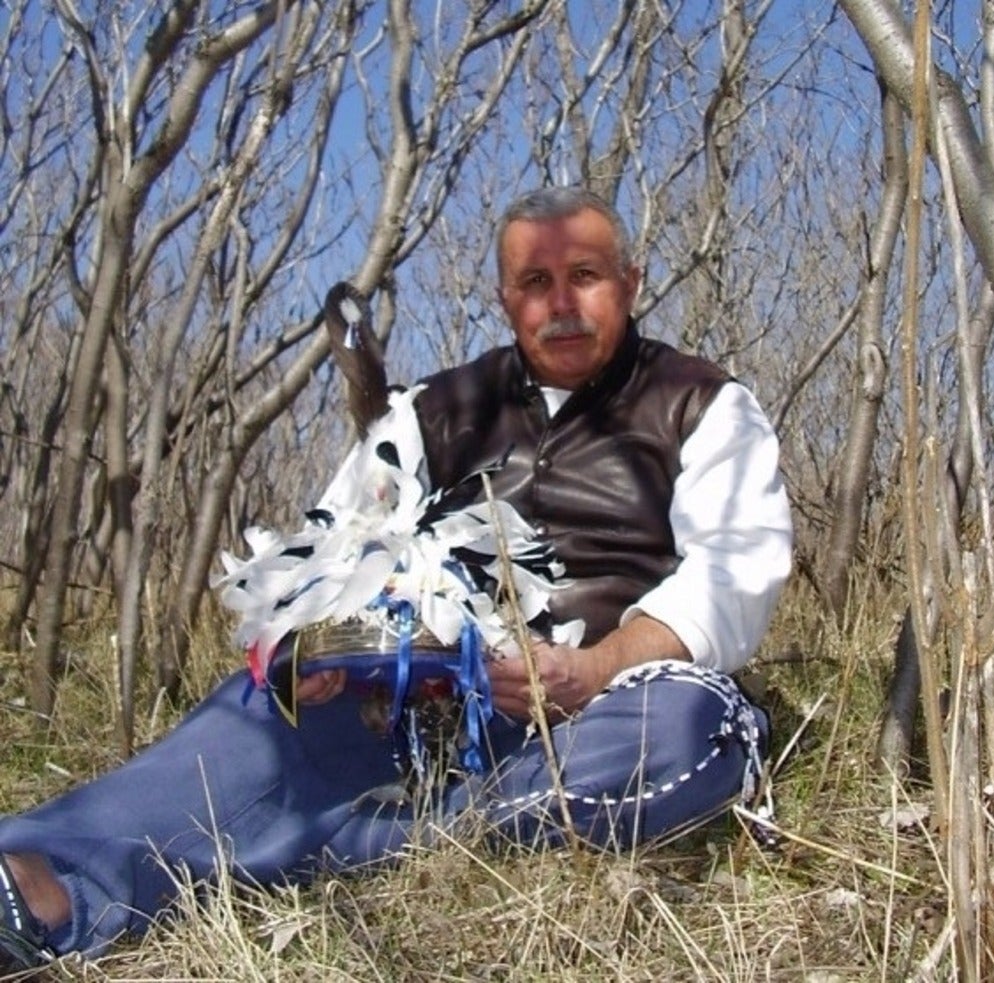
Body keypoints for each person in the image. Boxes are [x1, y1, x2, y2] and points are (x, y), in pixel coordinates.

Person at [0, 186, 792, 968]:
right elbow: (331, 544)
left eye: (585, 275)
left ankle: (333, 842)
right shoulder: (436, 409)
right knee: (254, 714)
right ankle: (35, 881)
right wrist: (299, 648)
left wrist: (592, 668)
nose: (561, 304)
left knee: (693, 731)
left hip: (602, 706)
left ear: (632, 280)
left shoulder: (703, 405)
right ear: (503, 297)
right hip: (415, 704)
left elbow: (732, 575)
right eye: (534, 283)